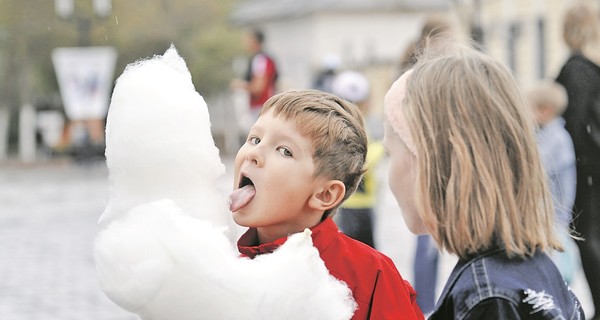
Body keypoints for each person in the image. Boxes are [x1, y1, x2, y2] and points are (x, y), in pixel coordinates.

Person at [383, 41, 585, 319]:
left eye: (390, 153)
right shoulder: (537, 271)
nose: (389, 172)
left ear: (429, 165)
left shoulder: (488, 298)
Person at [228, 89, 424, 320]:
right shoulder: (227, 274)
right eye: (255, 139)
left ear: (325, 194)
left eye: (285, 151)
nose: (254, 153)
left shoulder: (372, 276)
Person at [397, 16, 454, 314]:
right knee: (428, 235)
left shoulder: (416, 69)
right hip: (428, 160)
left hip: (423, 159)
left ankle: (427, 302)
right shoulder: (425, 73)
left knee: (428, 235)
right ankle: (427, 304)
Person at [556, 3, 600, 318]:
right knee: (588, 236)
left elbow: (579, 125)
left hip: (586, 171)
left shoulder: (577, 69)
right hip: (588, 171)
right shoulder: (581, 69)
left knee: (588, 236)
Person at [526, 80, 579, 284]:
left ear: (545, 111)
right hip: (549, 216)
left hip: (553, 218)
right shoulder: (548, 134)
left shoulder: (556, 138)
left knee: (553, 275)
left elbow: (536, 166)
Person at [330, 70, 385, 248]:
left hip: (361, 202)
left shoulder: (356, 126)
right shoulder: (346, 129)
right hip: (350, 204)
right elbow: (361, 159)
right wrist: (382, 147)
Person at [231, 29, 278, 127]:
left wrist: (240, 85)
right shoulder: (259, 58)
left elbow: (258, 87)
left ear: (254, 40)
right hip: (262, 108)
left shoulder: (260, 60)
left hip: (261, 108)